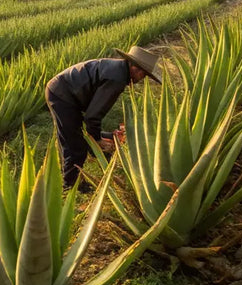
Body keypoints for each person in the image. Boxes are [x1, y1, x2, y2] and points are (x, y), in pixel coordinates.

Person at [44, 46, 162, 192]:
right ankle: (70, 187)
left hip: (63, 90)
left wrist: (98, 136)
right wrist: (96, 141)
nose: (141, 79)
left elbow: (92, 114)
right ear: (136, 69)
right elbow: (93, 116)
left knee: (74, 137)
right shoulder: (116, 78)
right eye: (143, 76)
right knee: (75, 144)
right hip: (62, 94)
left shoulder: (119, 70)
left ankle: (72, 179)